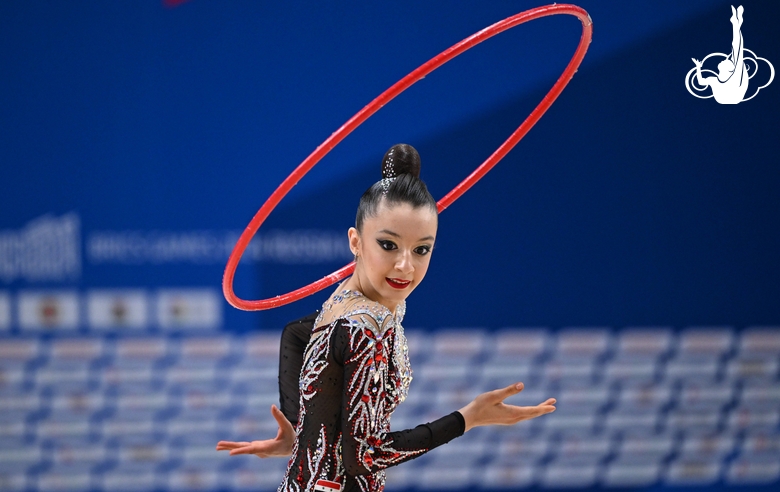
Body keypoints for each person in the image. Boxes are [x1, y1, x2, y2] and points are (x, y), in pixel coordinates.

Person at [217, 144, 556, 491]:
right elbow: (364, 456)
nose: (405, 266)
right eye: (389, 245)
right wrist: (467, 418)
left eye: (421, 249)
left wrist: (302, 432)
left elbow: (297, 333)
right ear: (356, 241)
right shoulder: (369, 327)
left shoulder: (345, 302)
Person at [692, 5, 748, 104]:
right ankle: (736, 23)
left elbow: (738, 49)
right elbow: (701, 82)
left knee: (737, 51)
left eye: (727, 61)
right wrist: (698, 67)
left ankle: (736, 23)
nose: (724, 59)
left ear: (729, 69)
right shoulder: (714, 80)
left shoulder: (734, 77)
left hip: (733, 95)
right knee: (736, 51)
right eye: (727, 60)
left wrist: (736, 25)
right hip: (727, 97)